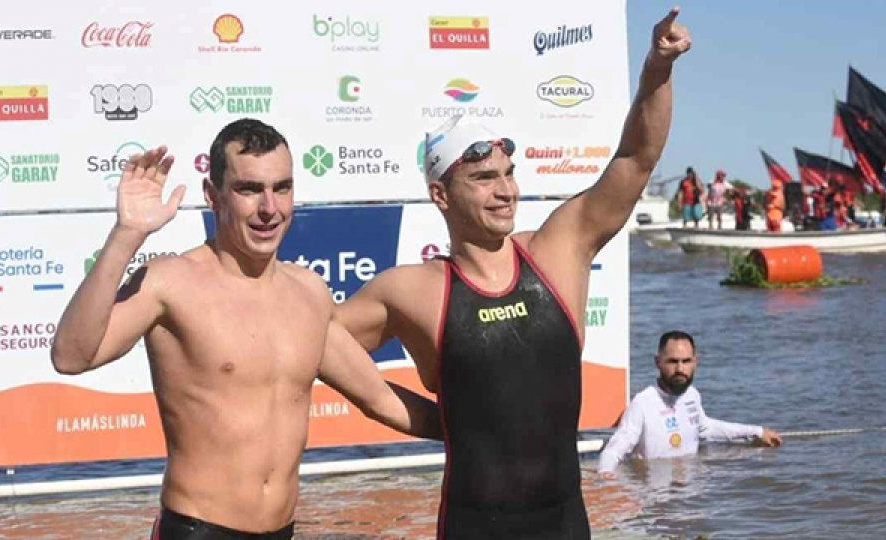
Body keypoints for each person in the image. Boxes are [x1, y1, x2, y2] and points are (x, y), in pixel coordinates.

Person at [334, 8, 691, 539]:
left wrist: (656, 71)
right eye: (483, 178)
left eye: (508, 174)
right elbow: (317, 340)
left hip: (565, 523)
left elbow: (636, 159)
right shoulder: (413, 290)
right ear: (440, 195)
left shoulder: (557, 251)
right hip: (472, 526)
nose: (505, 191)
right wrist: (420, 417)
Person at [51, 119, 442, 539]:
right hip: (198, 529)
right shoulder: (171, 282)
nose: (269, 208)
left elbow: (379, 398)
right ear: (212, 195)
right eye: (249, 189)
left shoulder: (308, 293)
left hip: (282, 530)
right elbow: (72, 356)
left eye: (282, 188)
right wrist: (127, 235)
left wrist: (489, 433)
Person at [597, 331, 782, 480]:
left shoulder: (692, 395)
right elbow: (614, 450)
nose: (680, 369)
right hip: (655, 499)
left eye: (686, 361)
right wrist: (606, 476)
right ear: (657, 362)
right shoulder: (642, 403)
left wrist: (757, 432)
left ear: (696, 362)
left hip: (690, 496)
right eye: (672, 361)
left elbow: (707, 428)